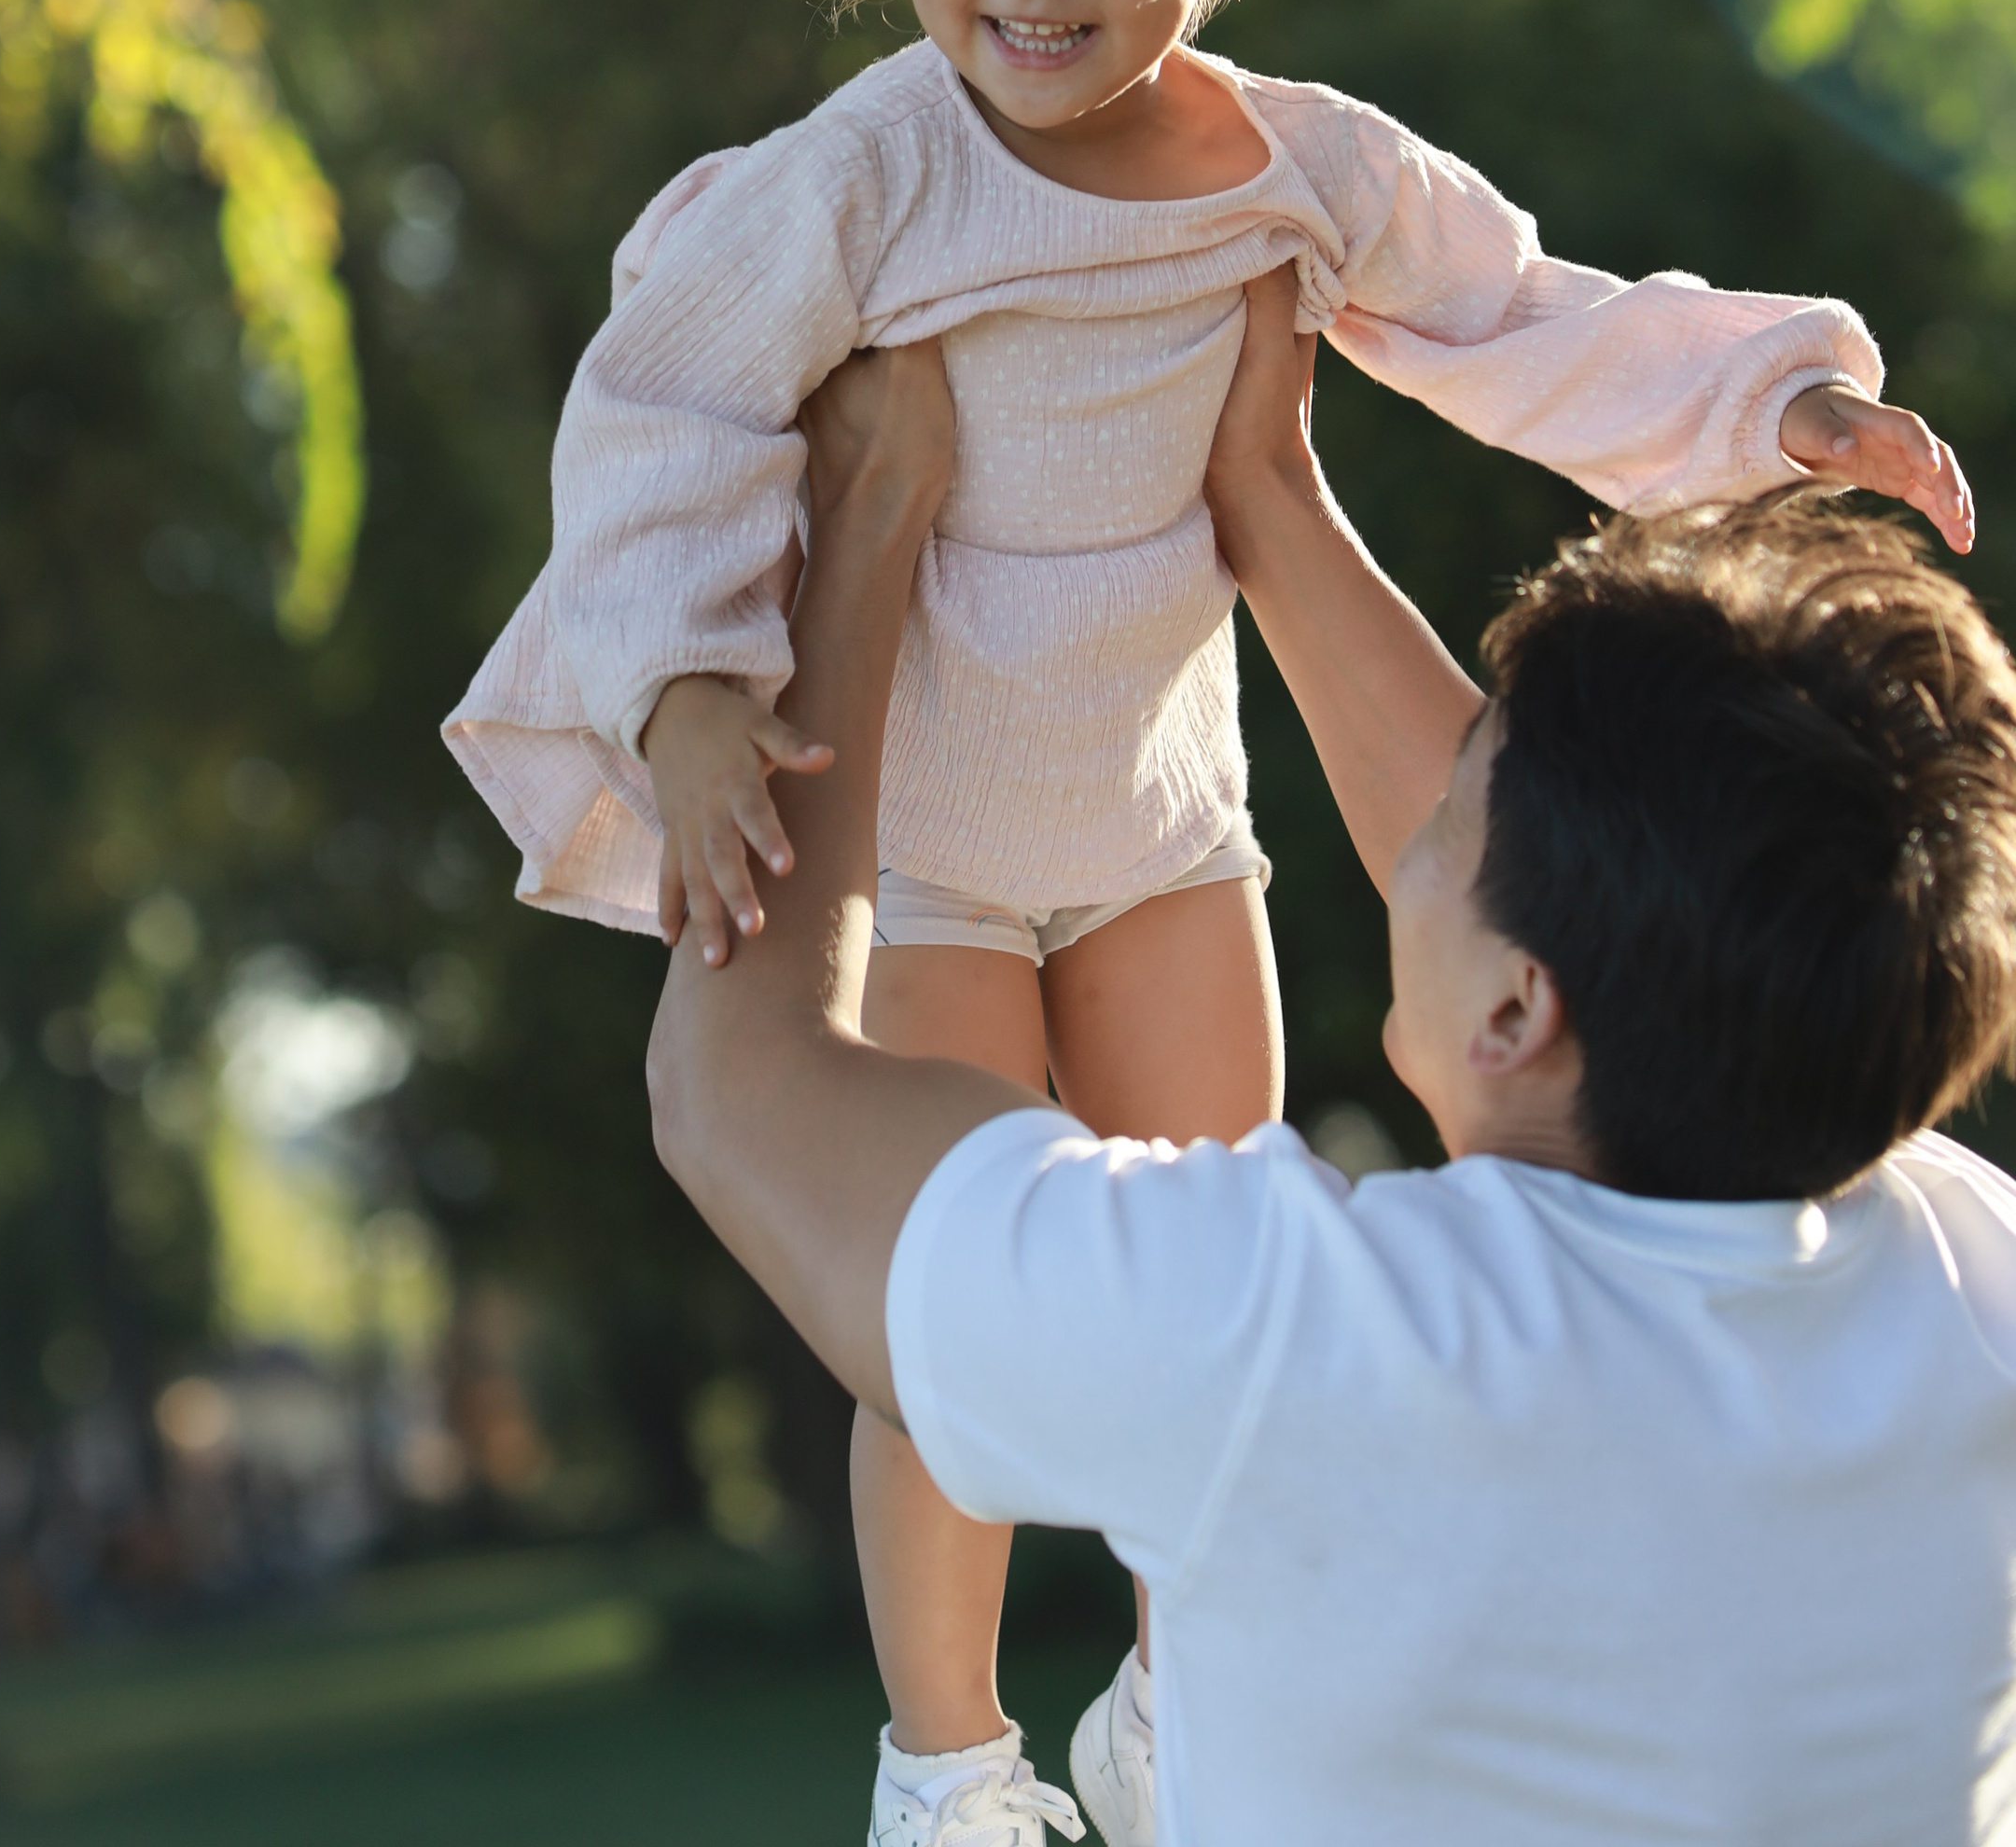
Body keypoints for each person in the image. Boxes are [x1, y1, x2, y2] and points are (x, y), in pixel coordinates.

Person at [444, 0, 1973, 1843]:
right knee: (924, 1317)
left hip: (1161, 813)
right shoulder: (858, 178)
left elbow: (1525, 324)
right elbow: (658, 411)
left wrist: (1778, 403)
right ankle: (947, 1764)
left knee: (1215, 1191)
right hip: (931, 829)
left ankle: (1173, 1722)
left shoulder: (1297, 175)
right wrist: (672, 691)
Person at [649, 276, 2016, 1847]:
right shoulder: (1964, 1281)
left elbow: (735, 1094)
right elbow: (1622, 905)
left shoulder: (1306, 1343)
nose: (1408, 839)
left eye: (1448, 819)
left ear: (1517, 1012)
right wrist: (1269, 498)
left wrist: (869, 516)